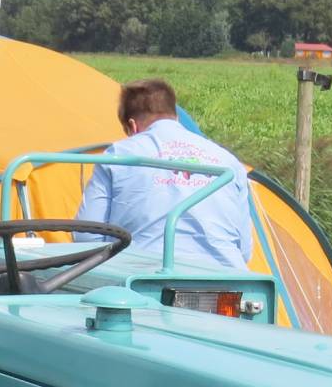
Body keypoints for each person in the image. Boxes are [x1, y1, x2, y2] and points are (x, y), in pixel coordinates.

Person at [76, 78, 254, 270]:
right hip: (229, 279)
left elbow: (86, 236)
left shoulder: (119, 155)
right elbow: (244, 250)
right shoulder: (228, 161)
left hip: (144, 277)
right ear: (175, 117)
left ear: (132, 126)